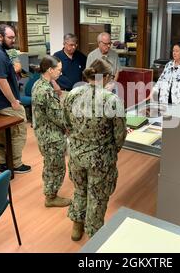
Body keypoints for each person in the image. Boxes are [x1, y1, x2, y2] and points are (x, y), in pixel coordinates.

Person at [63, 59, 127, 241]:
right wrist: (113, 150)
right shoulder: (111, 100)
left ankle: (77, 226)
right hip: (100, 158)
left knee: (80, 189)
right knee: (97, 196)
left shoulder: (73, 94)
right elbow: (120, 134)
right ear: (105, 77)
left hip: (76, 155)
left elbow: (66, 123)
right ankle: (95, 236)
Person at [0, 24, 31, 173]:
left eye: (14, 37)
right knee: (18, 131)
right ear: (0, 37)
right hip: (6, 103)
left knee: (4, 133)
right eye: (10, 37)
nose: (13, 40)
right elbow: (1, 80)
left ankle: (4, 161)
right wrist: (13, 102)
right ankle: (15, 164)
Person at [31, 55, 72, 208]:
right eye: (58, 70)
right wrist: (71, 126)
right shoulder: (47, 91)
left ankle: (49, 192)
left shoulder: (38, 84)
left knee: (49, 165)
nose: (60, 73)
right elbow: (58, 117)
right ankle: (51, 196)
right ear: (50, 70)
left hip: (42, 133)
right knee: (57, 167)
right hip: (52, 136)